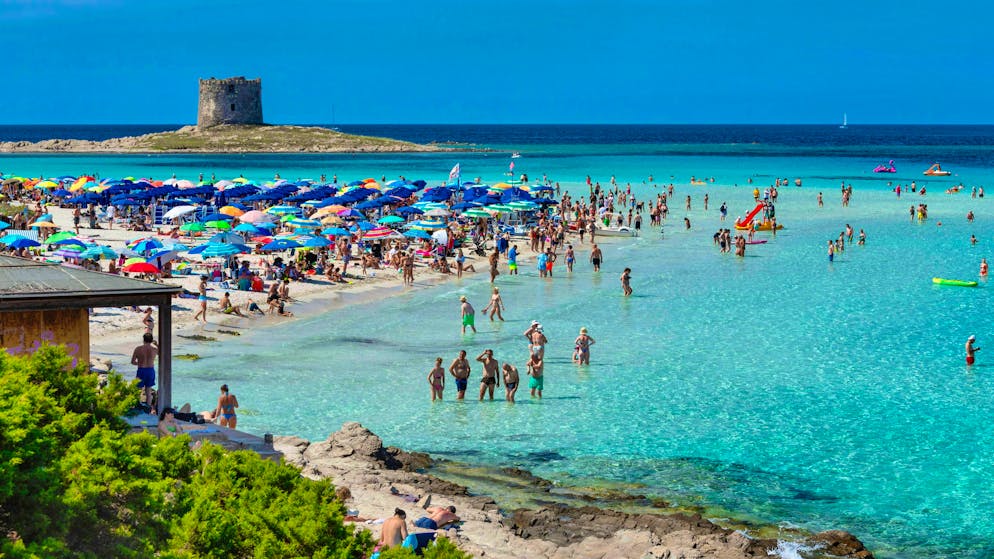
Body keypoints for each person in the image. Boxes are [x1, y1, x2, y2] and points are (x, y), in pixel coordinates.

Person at [132, 333, 158, 411]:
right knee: (148, 391)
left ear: (143, 340)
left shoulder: (138, 349)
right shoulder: (155, 349)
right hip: (150, 370)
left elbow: (133, 362)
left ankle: (137, 407)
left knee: (138, 390)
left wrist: (139, 363)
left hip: (141, 370)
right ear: (151, 339)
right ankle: (148, 408)